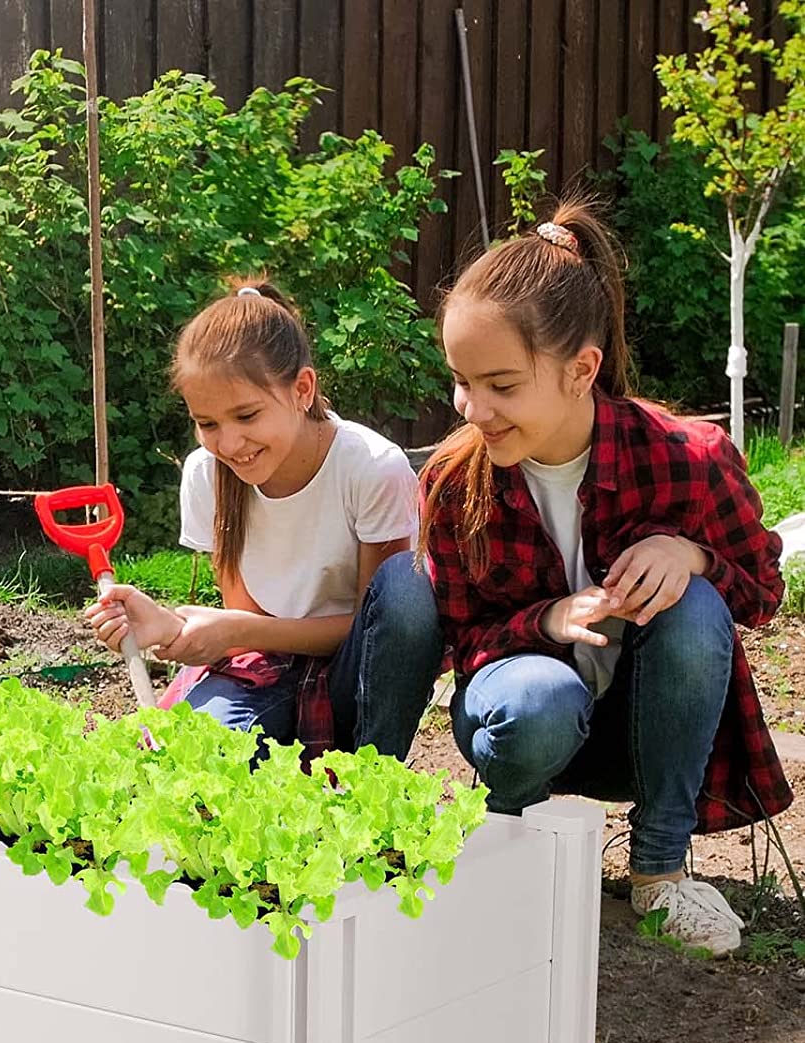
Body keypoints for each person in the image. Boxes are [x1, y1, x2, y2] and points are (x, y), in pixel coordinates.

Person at [418, 202, 790, 956]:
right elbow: (461, 642)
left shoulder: (687, 458)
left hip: (645, 734)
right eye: (461, 381)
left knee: (694, 609)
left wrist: (694, 558)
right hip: (525, 722)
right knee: (538, 697)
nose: (474, 409)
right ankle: (510, 850)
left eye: (501, 385)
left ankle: (660, 874)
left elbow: (760, 591)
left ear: (581, 369)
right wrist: (547, 622)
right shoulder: (455, 482)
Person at [86, 281, 442, 761]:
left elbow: (381, 627)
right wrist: (169, 628)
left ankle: (374, 774)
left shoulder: (370, 466)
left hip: (359, 677)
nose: (229, 444)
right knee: (201, 759)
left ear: (302, 390)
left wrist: (235, 631)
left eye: (247, 415)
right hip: (268, 667)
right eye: (208, 424)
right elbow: (246, 621)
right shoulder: (207, 474)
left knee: (406, 587)